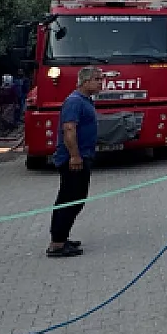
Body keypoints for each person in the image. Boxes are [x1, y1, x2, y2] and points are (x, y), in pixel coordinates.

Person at [47, 66, 102, 258]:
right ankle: (57, 244)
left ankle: (62, 237)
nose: (100, 82)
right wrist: (75, 156)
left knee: (76, 199)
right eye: (97, 79)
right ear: (85, 82)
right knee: (69, 200)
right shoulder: (74, 102)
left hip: (83, 155)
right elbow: (69, 130)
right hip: (73, 159)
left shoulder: (85, 101)